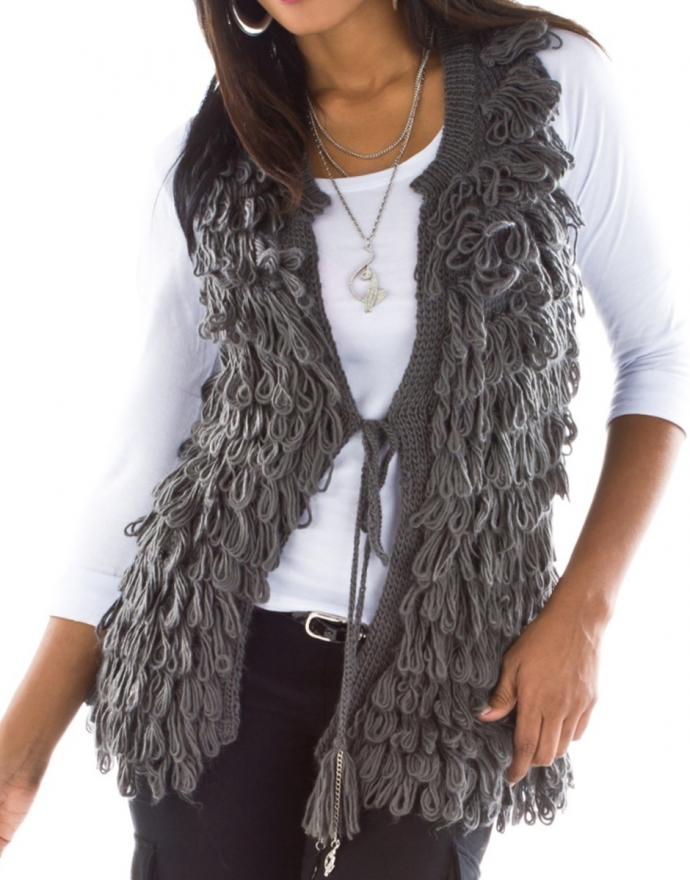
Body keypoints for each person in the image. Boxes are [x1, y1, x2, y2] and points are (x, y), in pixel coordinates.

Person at [1, 1, 689, 878]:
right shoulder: (214, 155)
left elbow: (661, 355)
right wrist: (23, 745)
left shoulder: (549, 80)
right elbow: (149, 449)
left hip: (451, 663)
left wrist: (583, 616)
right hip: (212, 656)